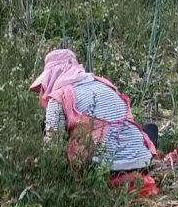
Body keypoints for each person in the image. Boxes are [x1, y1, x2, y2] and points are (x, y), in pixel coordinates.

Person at [30, 48, 158, 193]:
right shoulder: (104, 85)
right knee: (150, 129)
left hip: (103, 170)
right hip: (142, 163)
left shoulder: (59, 97)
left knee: (49, 129)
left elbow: (52, 148)